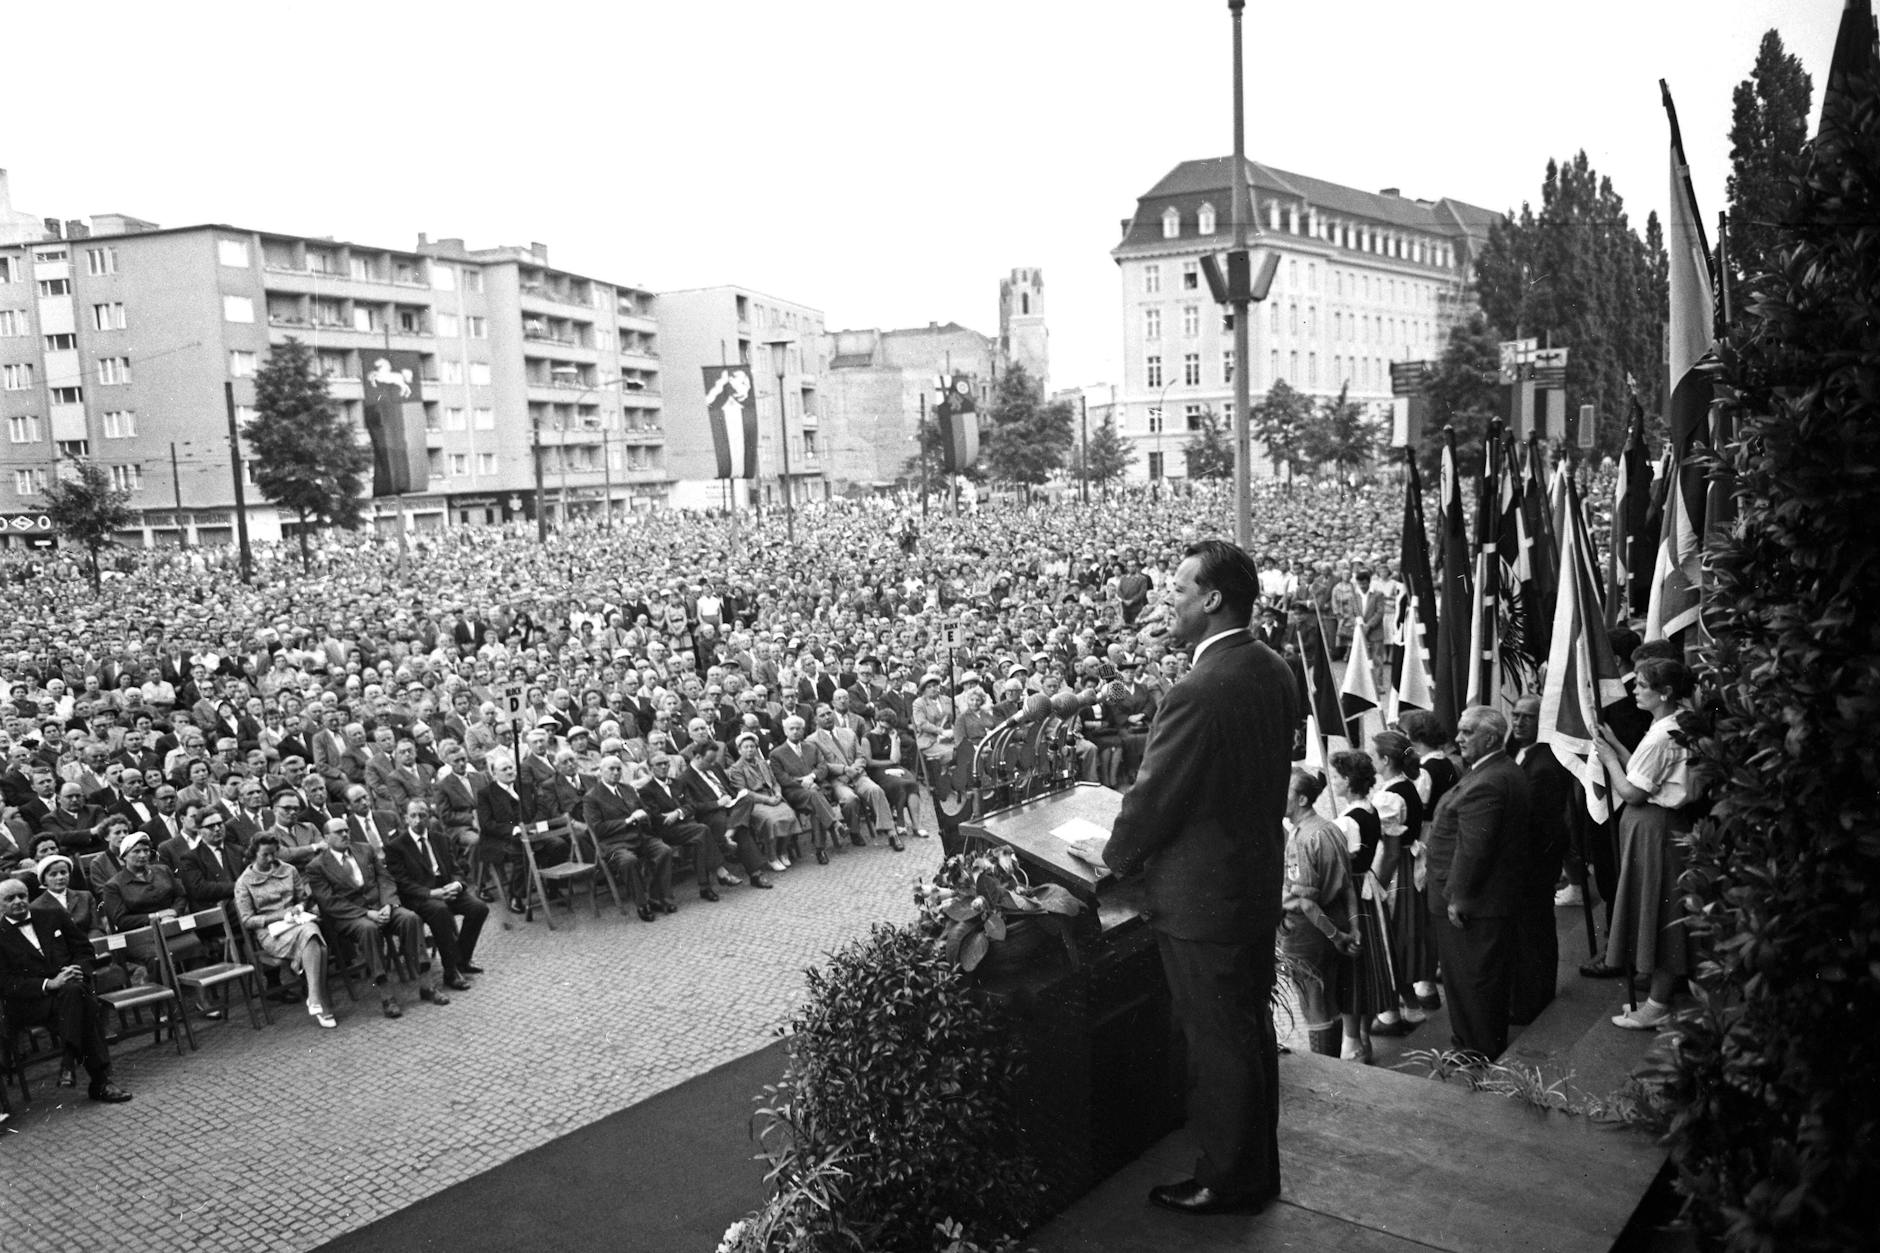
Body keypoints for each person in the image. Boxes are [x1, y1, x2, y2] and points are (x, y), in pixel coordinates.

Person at [1101, 538, 1298, 1216]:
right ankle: (1254, 1166)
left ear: (1212, 599)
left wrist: (1112, 861)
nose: (1168, 599)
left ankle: (1230, 1177)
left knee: (1217, 1042)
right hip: (1248, 885)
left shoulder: (1197, 690)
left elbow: (1155, 798)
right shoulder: (1271, 666)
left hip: (1200, 900)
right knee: (1247, 1031)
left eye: (1179, 589)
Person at [1594, 658, 1698, 1031]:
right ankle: (1657, 998)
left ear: (1665, 692)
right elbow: (1644, 770)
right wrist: (1618, 747)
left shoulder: (1662, 734)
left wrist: (1608, 758)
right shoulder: (1671, 724)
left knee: (1660, 913)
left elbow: (1633, 791)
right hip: (1655, 828)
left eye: (1641, 684)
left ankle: (1657, 1004)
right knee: (1655, 909)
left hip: (1655, 829)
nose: (1634, 690)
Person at [1425, 705, 1531, 1061]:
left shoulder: (1488, 782)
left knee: (1472, 983)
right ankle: (1476, 1046)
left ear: (1489, 737)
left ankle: (1475, 1054)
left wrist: (1458, 898)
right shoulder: (1497, 771)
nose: (1458, 738)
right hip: (1485, 901)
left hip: (1473, 906)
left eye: (1467, 732)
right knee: (1476, 981)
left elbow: (1474, 850)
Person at [0, 874, 133, 1102]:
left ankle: (71, 1062)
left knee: (75, 994)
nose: (18, 901)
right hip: (33, 1002)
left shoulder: (52, 915)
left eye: (22, 896)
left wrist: (77, 969)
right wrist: (49, 984)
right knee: (84, 1003)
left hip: (70, 989)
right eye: (10, 899)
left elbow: (84, 949)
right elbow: (5, 983)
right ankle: (97, 1080)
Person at [304, 816, 428, 1018]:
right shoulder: (317, 866)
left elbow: (385, 878)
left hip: (381, 906)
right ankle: (386, 995)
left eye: (346, 830)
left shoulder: (365, 849)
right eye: (338, 832)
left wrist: (388, 903)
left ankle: (426, 984)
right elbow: (329, 902)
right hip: (351, 917)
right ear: (326, 837)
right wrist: (366, 913)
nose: (345, 834)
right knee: (368, 929)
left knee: (410, 918)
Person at [1279, 768, 1356, 1059]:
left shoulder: (1301, 839)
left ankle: (1324, 1069)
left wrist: (1336, 936)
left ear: (1301, 799)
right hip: (1331, 920)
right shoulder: (1330, 827)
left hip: (1308, 930)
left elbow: (1307, 903)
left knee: (1312, 1002)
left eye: (1285, 793)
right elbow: (1348, 885)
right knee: (1328, 999)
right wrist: (1352, 928)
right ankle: (1332, 1065)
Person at [1507, 694, 1571, 1025]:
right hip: (1528, 862)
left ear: (1541, 721)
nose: (1518, 722)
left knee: (1535, 932)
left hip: (1534, 864)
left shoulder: (1543, 765)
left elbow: (1541, 823)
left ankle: (1534, 999)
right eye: (1515, 715)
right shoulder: (1520, 751)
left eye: (1527, 718)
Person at [1327, 749, 1392, 1064]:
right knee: (1367, 965)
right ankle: (1362, 1038)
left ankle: (1352, 1042)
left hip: (1352, 894)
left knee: (1353, 969)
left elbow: (1336, 864)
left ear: (1350, 780)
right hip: (1367, 889)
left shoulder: (1346, 821)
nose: (1333, 783)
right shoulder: (1370, 809)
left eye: (1338, 777)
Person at [233, 834, 335, 1029]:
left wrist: (299, 907)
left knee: (312, 935)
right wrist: (279, 915)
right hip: (272, 933)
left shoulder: (289, 870)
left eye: (274, 853)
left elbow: (302, 898)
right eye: (265, 855)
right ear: (254, 854)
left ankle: (316, 1000)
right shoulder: (244, 882)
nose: (271, 859)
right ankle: (318, 1000)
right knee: (316, 942)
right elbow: (247, 920)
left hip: (298, 923)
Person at [383, 797, 484, 987]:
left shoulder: (441, 839)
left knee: (478, 908)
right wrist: (432, 894)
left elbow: (455, 869)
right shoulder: (396, 846)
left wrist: (457, 885)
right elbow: (403, 883)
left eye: (422, 815)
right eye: (413, 816)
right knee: (440, 912)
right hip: (420, 895)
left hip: (446, 888)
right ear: (405, 819)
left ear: (429, 817)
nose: (418, 820)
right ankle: (451, 971)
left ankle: (462, 959)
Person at [1366, 729, 1429, 1038]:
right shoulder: (1408, 786)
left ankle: (1400, 1010)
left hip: (1397, 870)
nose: (1372, 761)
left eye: (1374, 755)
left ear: (1386, 760)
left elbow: (1388, 850)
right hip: (1409, 863)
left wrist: (1376, 882)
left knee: (1391, 937)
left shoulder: (1388, 797)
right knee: (1400, 936)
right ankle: (1411, 1005)